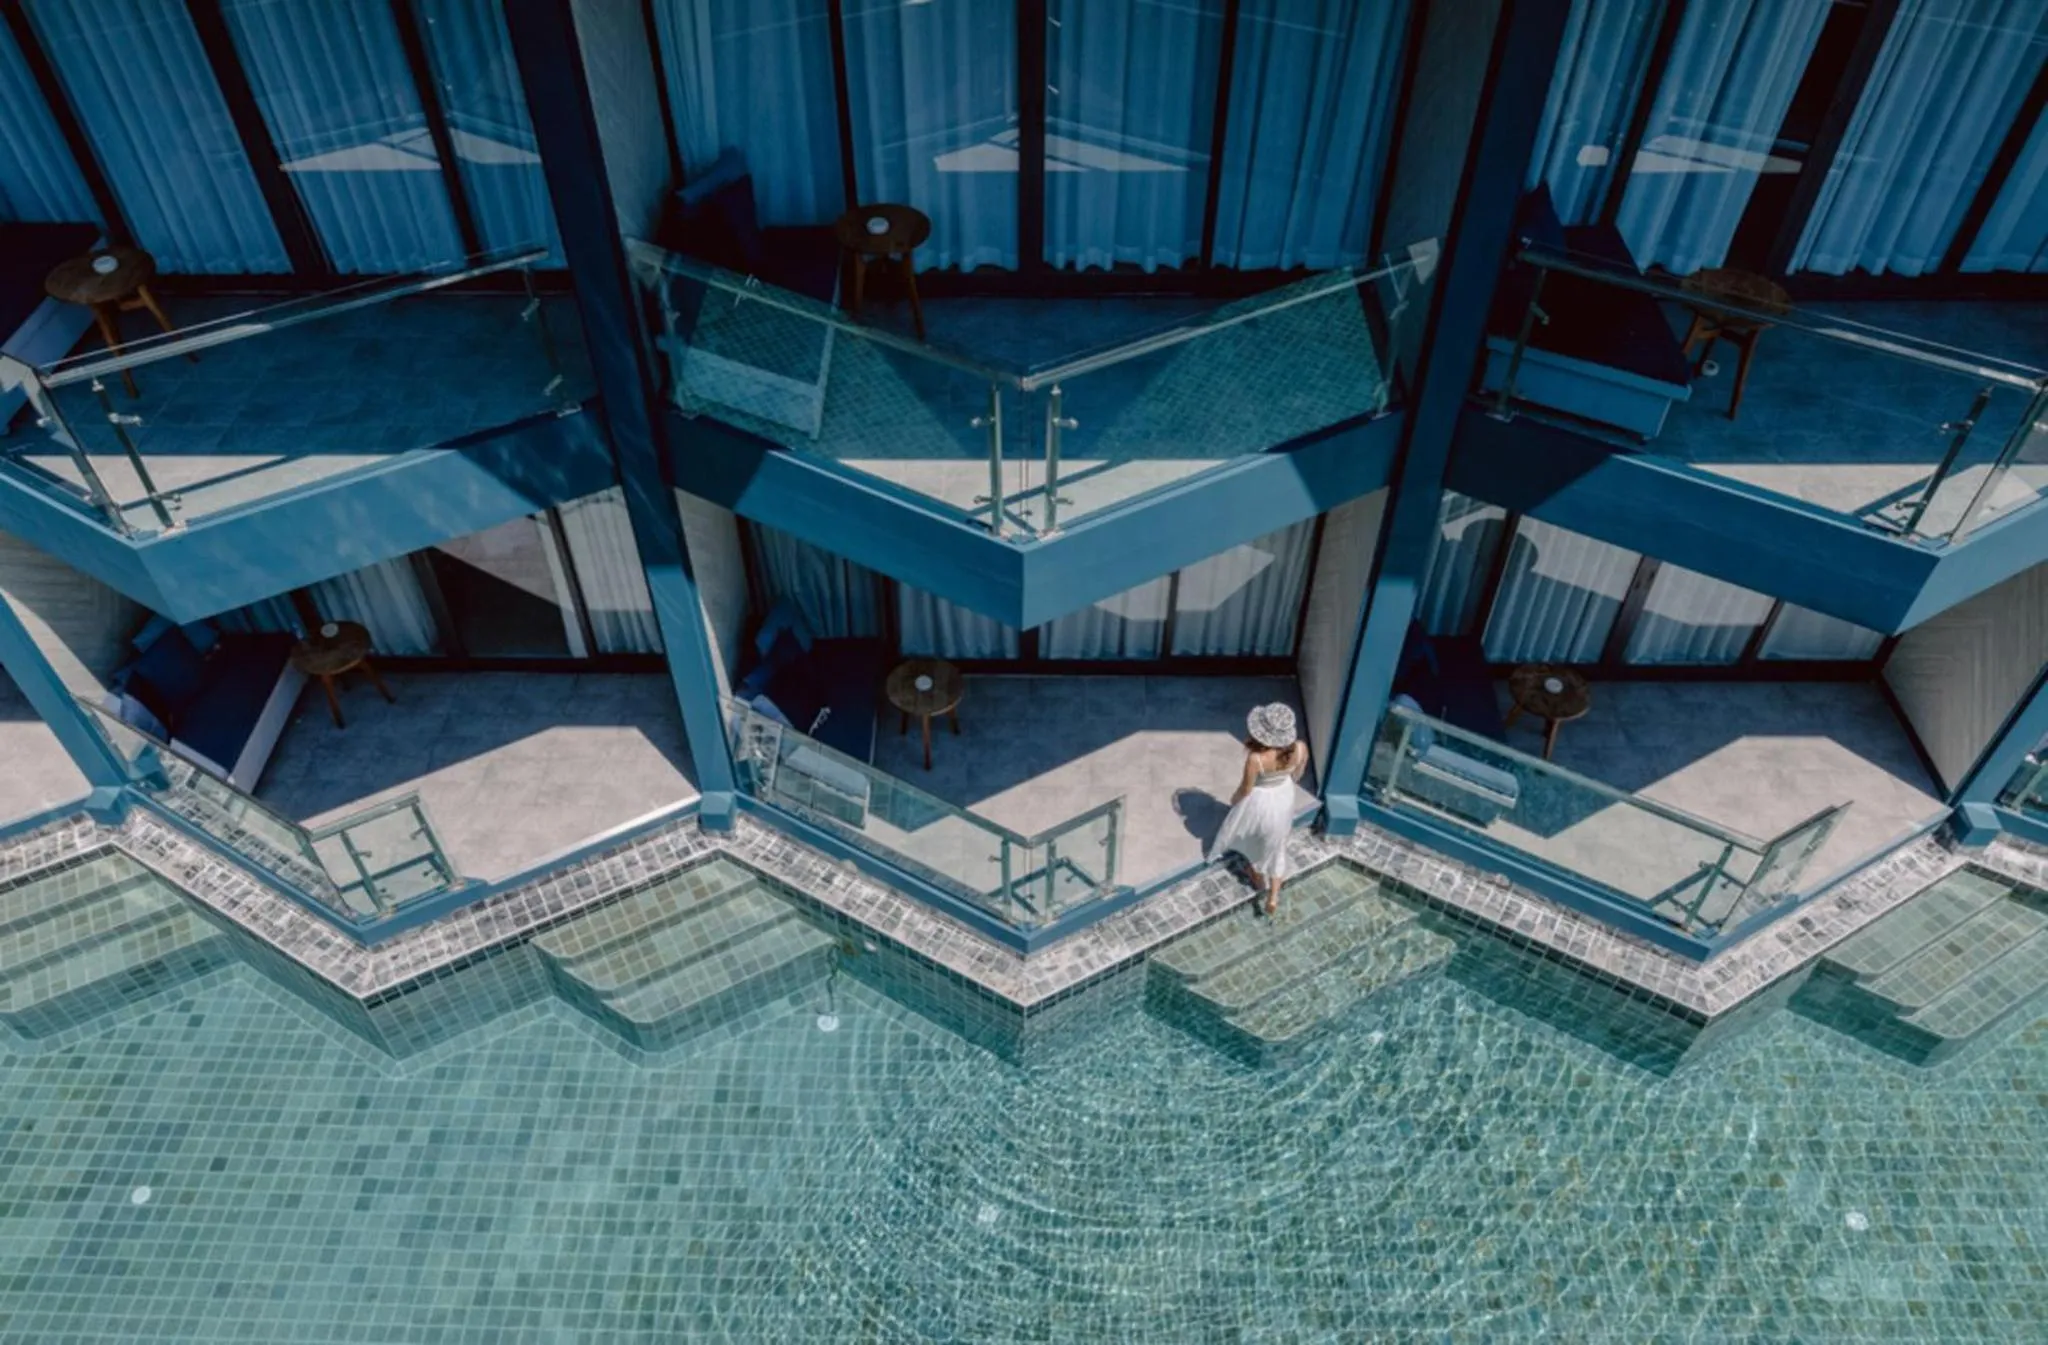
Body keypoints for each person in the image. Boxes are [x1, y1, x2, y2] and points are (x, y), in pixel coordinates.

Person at [1208, 703, 1308, 916]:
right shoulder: (1300, 748)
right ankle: (1273, 897)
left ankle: (1257, 875)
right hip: (1284, 796)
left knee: (1254, 838)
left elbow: (1246, 789)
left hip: (1261, 801)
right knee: (1277, 844)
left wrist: (1234, 801)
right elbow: (1297, 774)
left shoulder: (1257, 759)